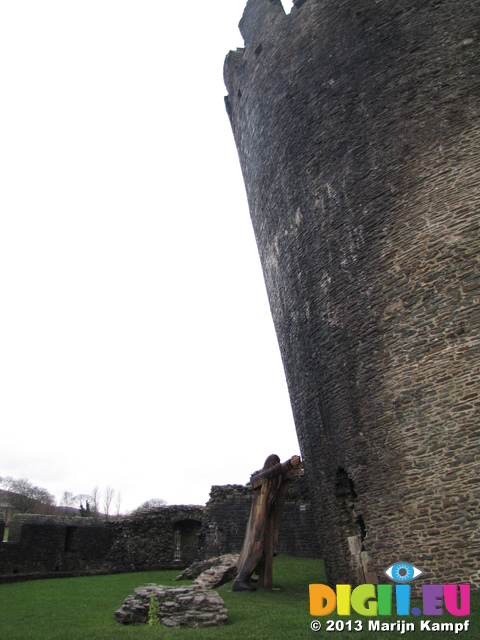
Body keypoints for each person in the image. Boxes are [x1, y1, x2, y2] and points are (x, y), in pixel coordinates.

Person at [232, 453, 302, 591]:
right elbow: (271, 473)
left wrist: (297, 465)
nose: (276, 465)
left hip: (267, 516)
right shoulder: (260, 478)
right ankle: (240, 579)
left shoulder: (276, 478)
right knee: (257, 548)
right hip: (259, 519)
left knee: (265, 548)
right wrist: (288, 464)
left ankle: (251, 576)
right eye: (274, 462)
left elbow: (285, 475)